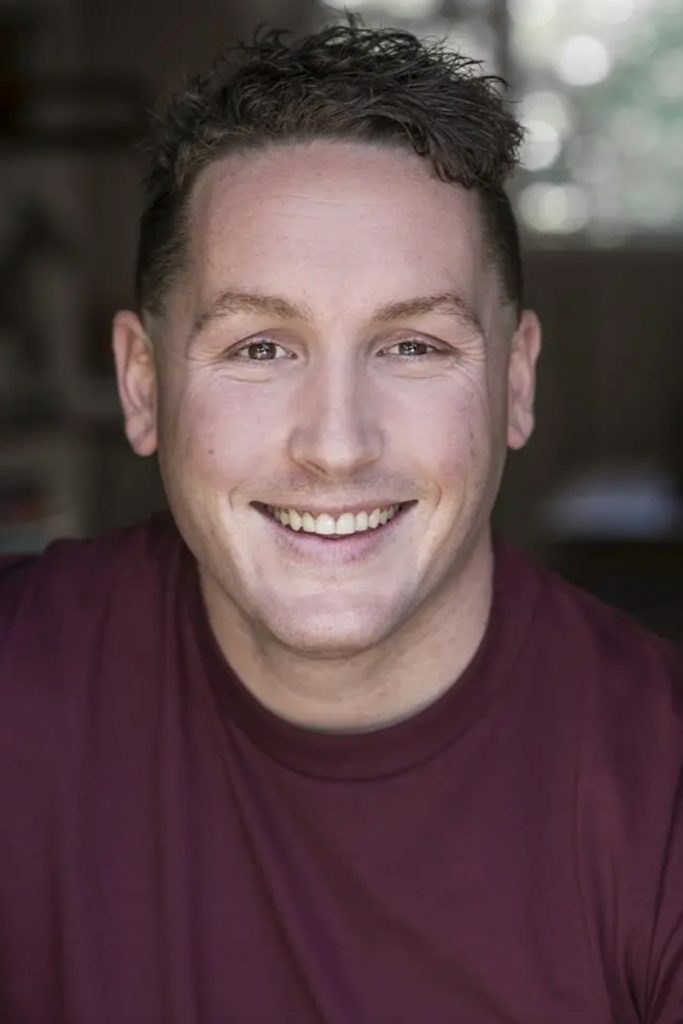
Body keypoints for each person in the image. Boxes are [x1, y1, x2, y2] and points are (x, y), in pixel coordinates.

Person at [0, 18, 681, 1023]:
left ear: (515, 380)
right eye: (260, 348)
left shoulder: (659, 788)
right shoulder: (18, 688)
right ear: (143, 385)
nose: (335, 445)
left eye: (412, 346)